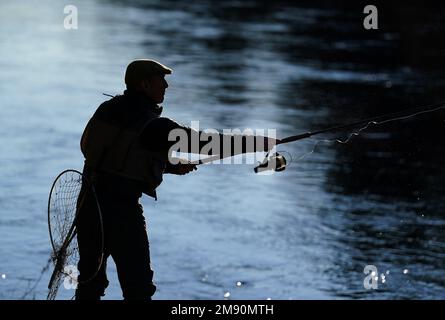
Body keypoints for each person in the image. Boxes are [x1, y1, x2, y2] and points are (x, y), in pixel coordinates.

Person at [75, 59, 279, 300]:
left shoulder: (106, 109)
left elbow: (115, 154)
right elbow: (206, 143)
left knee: (90, 283)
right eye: (161, 80)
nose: (166, 86)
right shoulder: (155, 125)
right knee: (138, 289)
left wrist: (169, 165)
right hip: (121, 212)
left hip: (88, 205)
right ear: (144, 84)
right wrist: (257, 143)